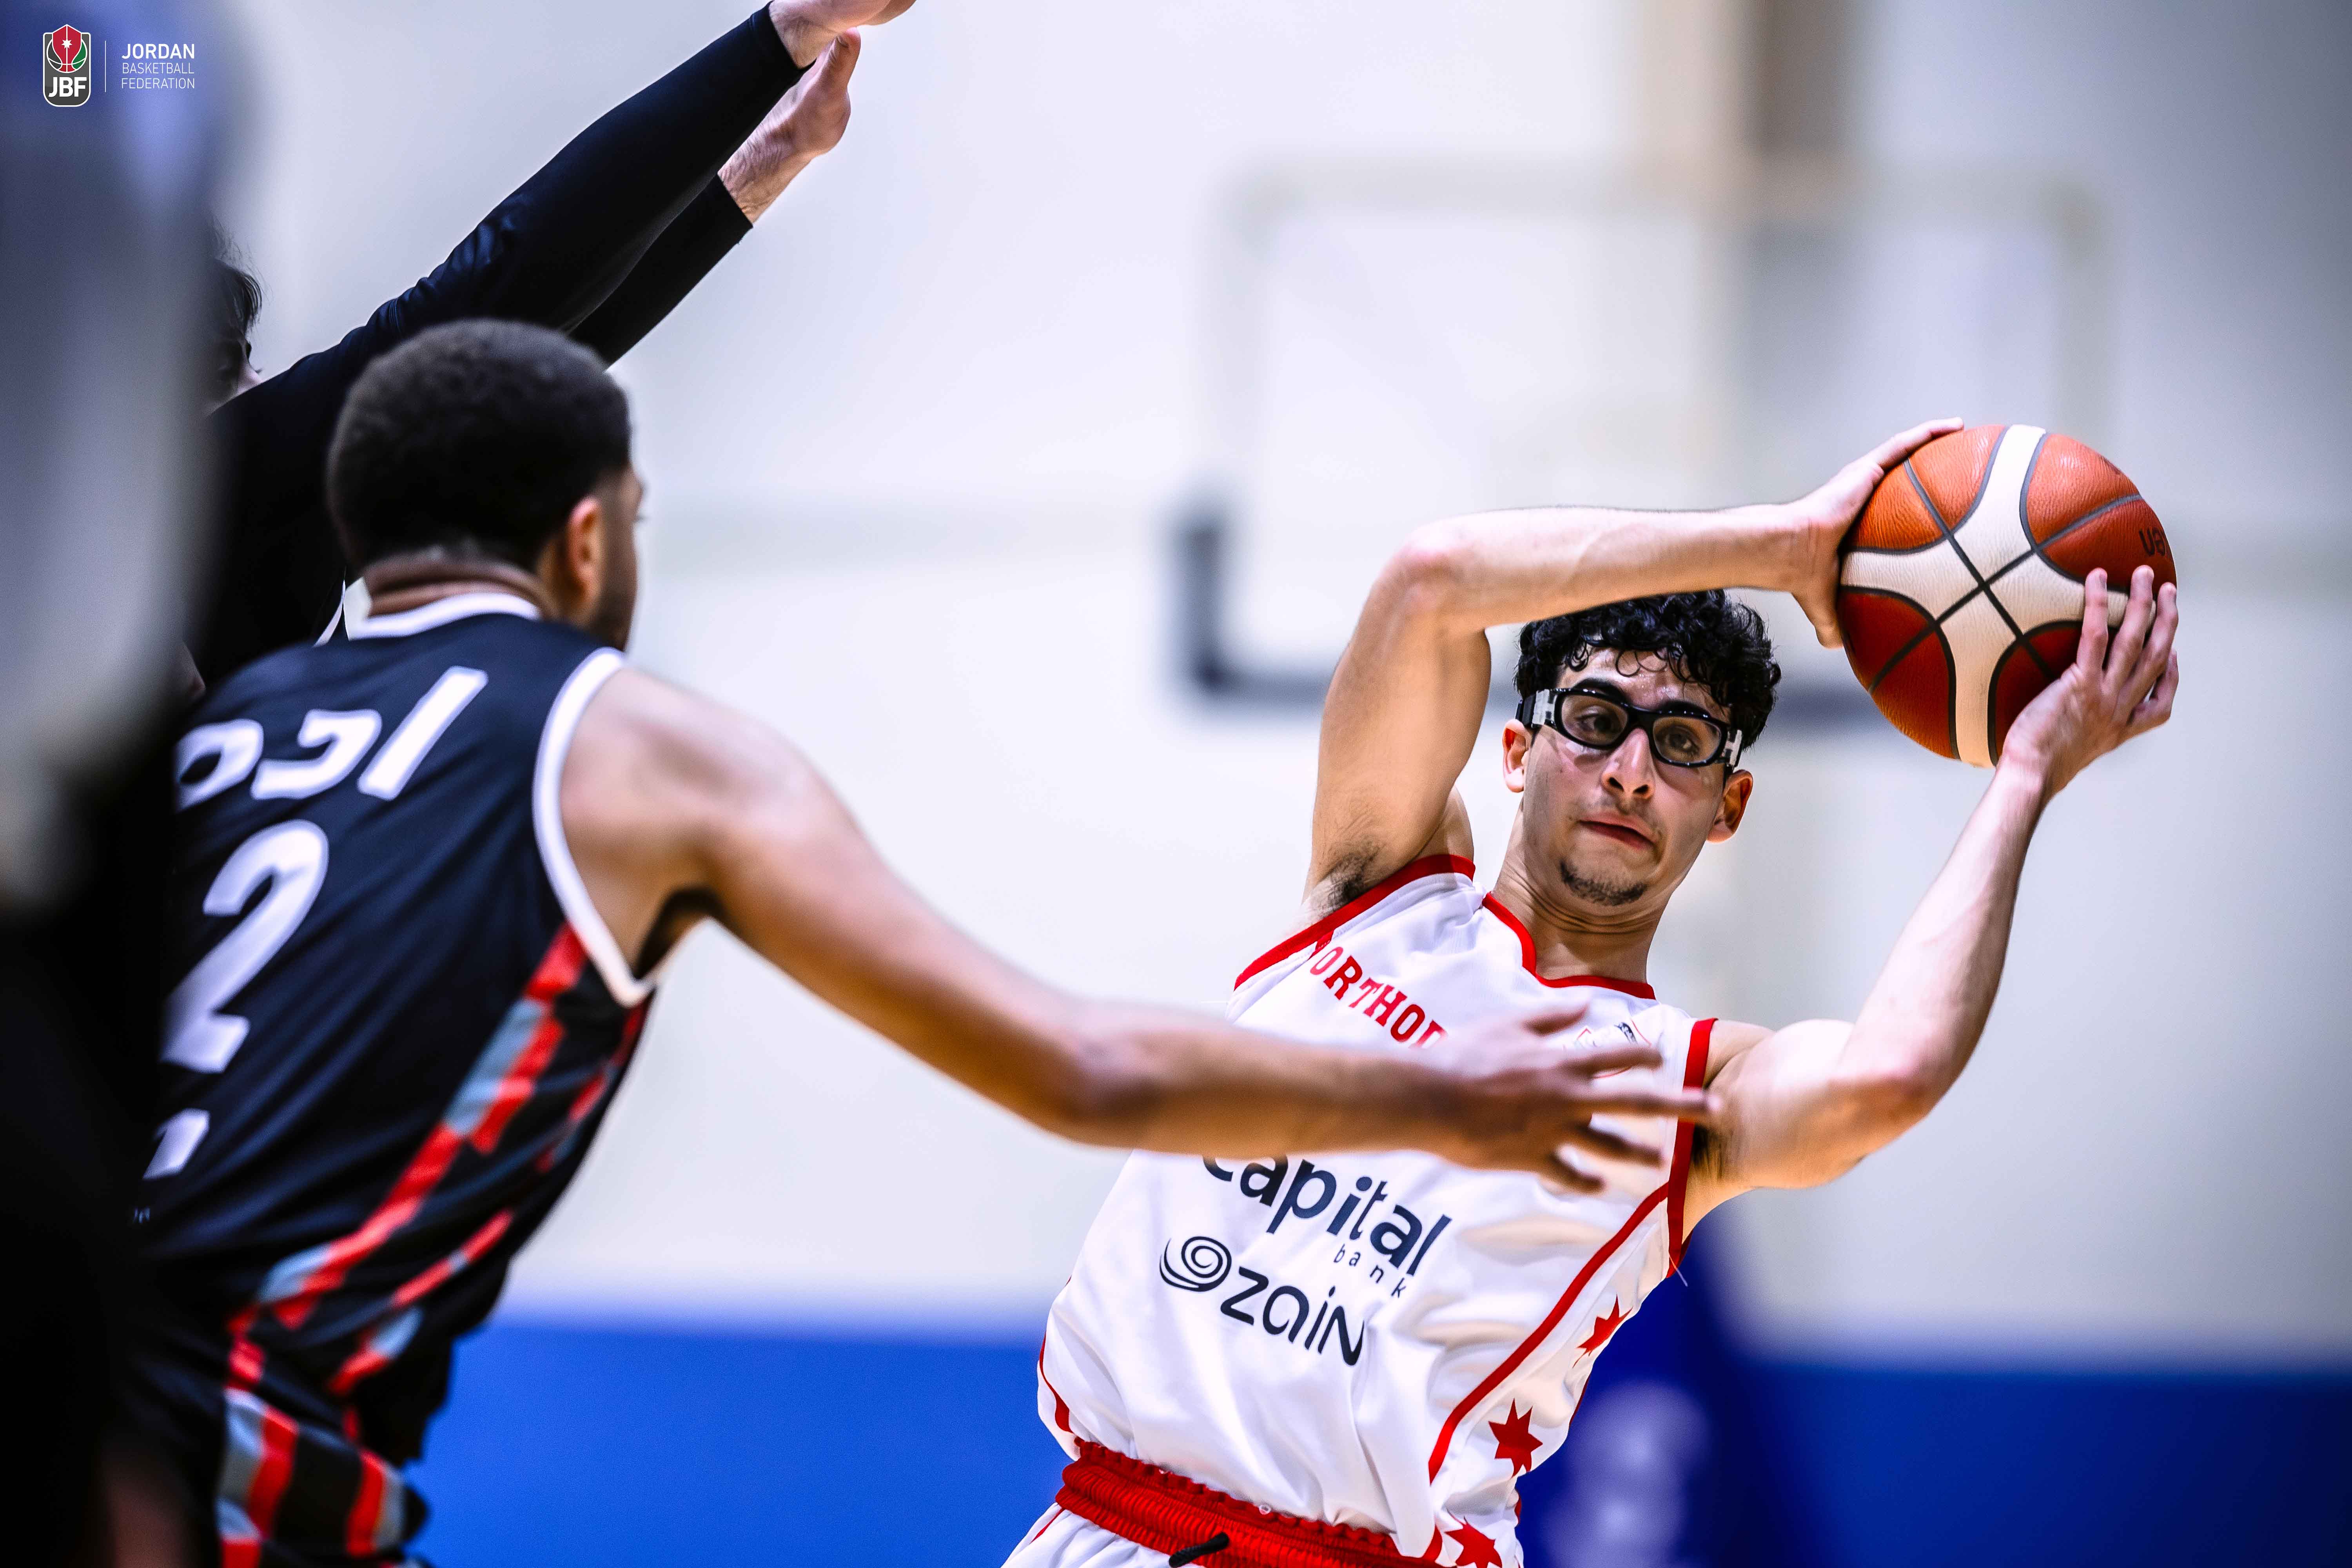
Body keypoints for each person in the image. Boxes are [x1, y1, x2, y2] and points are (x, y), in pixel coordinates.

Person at [128, 321, 1717, 1568]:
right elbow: (1082, 1067)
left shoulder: (207, 728)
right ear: (590, 543)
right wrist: (1449, 1100)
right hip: (222, 1445)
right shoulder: (622, 744)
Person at [1007, 421, 2181, 1568]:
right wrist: (1781, 546)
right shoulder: (1381, 887)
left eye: (1683, 742)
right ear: (1518, 753)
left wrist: (2026, 774)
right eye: (1598, 719)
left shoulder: (1684, 1088)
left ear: (1727, 808)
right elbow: (1431, 579)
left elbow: (1893, 1073)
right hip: (1100, 1525)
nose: (1630, 770)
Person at [194, 0, 908, 686]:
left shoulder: (250, 561)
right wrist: (790, 30)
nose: (270, 389)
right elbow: (490, 294)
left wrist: (775, 154)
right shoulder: (210, 488)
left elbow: (515, 361)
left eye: (253, 365)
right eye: (230, 376)